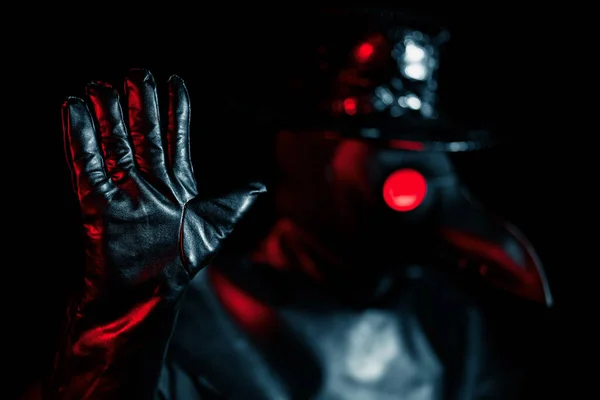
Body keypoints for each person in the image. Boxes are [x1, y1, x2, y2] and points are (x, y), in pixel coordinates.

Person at [33, 9, 555, 400]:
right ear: (299, 151)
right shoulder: (194, 317)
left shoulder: (456, 331)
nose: (408, 167)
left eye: (420, 145)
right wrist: (124, 325)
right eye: (371, 140)